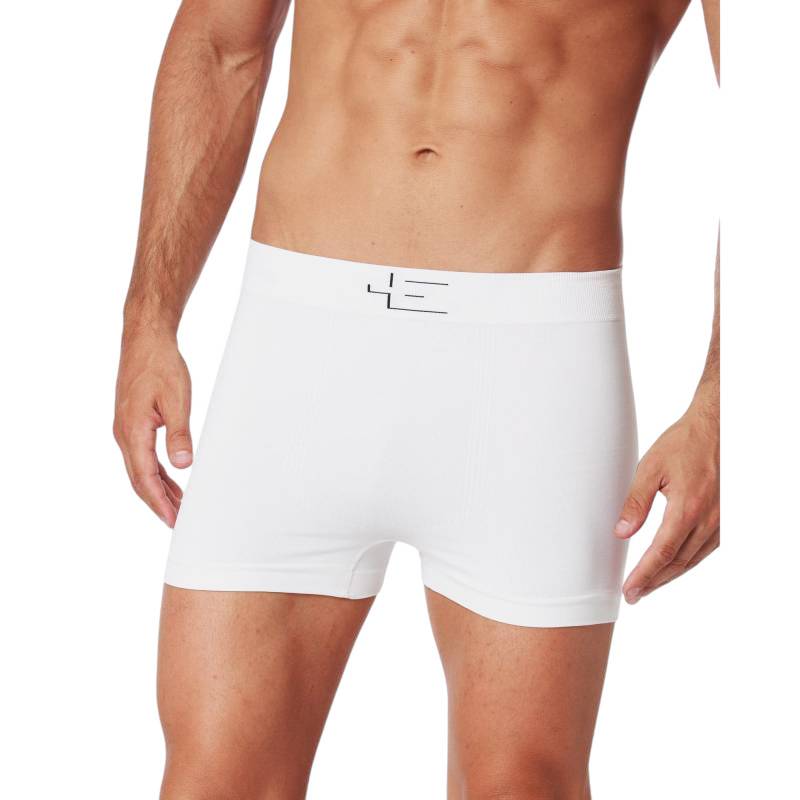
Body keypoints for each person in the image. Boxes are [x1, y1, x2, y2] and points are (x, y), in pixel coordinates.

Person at [114, 0, 720, 796]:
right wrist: (149, 318)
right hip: (296, 349)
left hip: (530, 372)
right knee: (215, 780)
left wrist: (726, 398)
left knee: (521, 785)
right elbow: (221, 45)